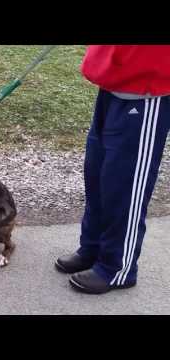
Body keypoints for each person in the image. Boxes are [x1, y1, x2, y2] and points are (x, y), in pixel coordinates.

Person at [55, 45, 170, 294]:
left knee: (125, 187)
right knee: (97, 176)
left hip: (146, 89)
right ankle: (93, 248)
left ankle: (117, 267)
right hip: (112, 82)